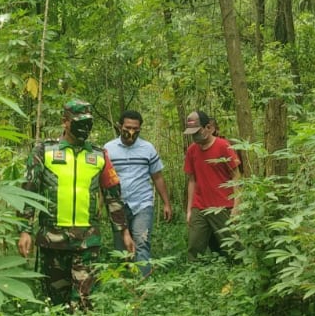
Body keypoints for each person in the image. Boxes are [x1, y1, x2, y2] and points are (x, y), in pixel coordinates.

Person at [18, 98, 135, 311]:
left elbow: (113, 197)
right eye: (79, 122)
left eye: (88, 123)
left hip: (87, 241)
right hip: (52, 240)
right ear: (65, 121)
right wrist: (25, 230)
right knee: (56, 304)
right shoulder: (44, 151)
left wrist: (124, 232)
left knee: (83, 301)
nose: (85, 128)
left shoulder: (99, 155)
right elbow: (28, 192)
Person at [104, 110, 174, 276]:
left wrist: (166, 203)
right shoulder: (108, 149)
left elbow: (157, 177)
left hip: (143, 202)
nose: (131, 131)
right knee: (121, 247)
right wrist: (100, 204)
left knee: (142, 242)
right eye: (128, 127)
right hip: (117, 205)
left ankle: (143, 283)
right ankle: (125, 285)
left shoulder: (147, 148)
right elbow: (104, 179)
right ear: (120, 126)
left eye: (136, 128)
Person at [182, 110, 242, 260]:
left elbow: (236, 176)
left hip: (223, 205)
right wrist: (189, 210)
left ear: (208, 128)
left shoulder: (223, 146)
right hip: (200, 205)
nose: (194, 136)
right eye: (191, 133)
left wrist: (237, 206)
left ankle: (237, 276)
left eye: (197, 131)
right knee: (194, 247)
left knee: (232, 247)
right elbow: (192, 180)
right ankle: (195, 277)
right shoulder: (192, 151)